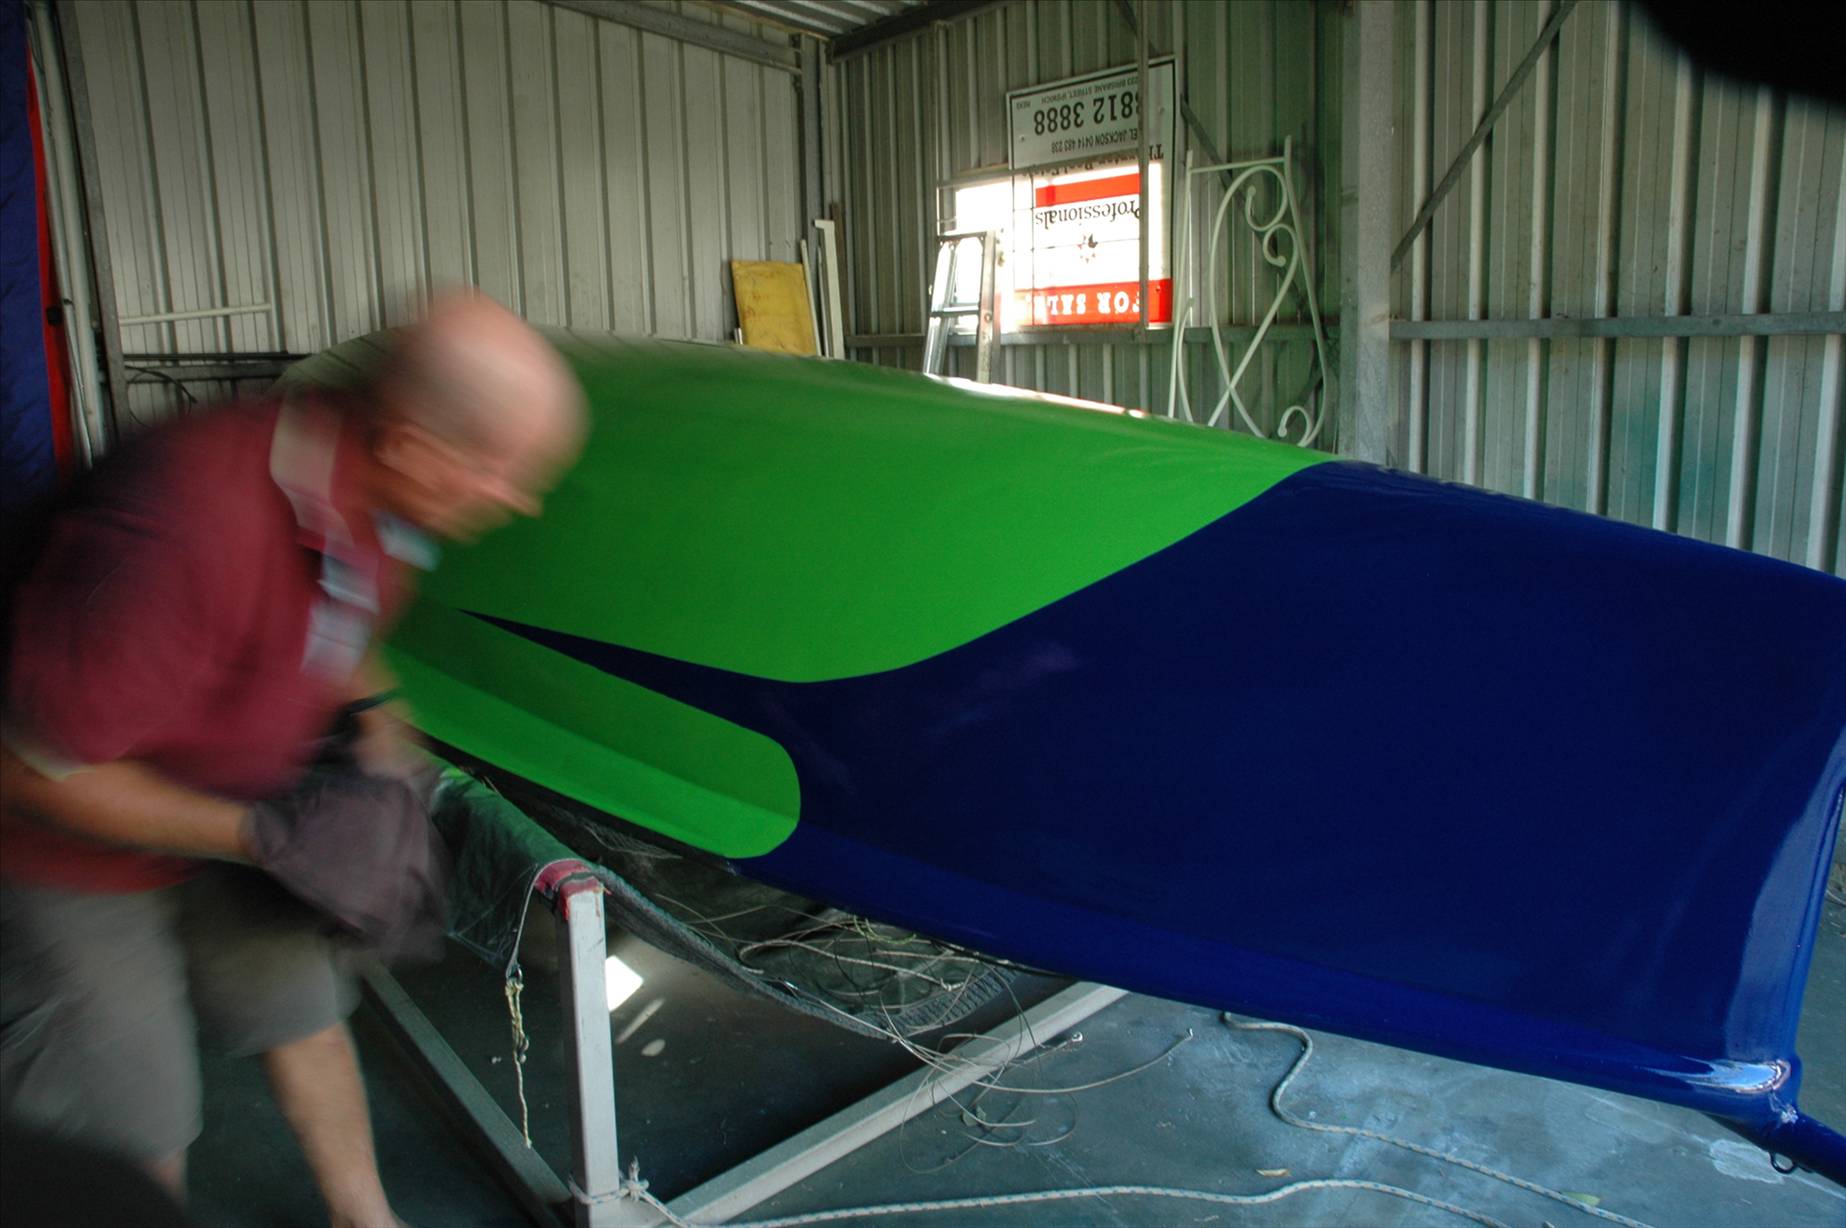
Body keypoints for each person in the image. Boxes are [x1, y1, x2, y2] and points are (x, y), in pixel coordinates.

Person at [0, 292, 585, 1227]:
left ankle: (367, 1221)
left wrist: (382, 736)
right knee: (132, 1113)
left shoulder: (380, 502)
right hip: (70, 845)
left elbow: (334, 621)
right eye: (501, 472)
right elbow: (31, 767)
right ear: (409, 445)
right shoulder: (187, 521)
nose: (521, 500)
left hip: (233, 799)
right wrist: (265, 836)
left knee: (302, 1008)